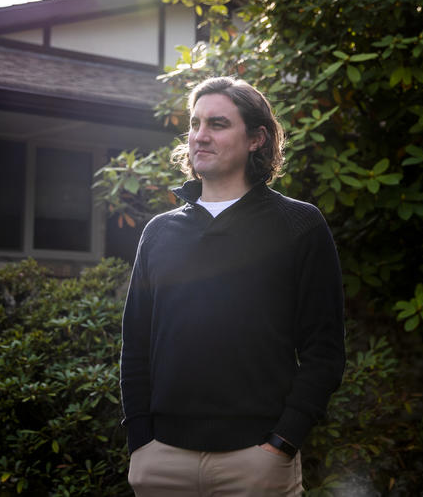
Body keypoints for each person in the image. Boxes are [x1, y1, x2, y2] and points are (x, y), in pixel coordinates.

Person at [120, 76, 346, 496]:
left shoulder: (299, 226)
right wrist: (140, 443)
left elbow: (325, 350)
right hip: (162, 462)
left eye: (218, 124)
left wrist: (282, 442)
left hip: (257, 464)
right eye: (194, 123)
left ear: (257, 138)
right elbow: (134, 346)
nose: (199, 137)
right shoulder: (159, 232)